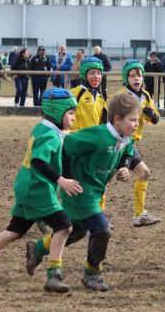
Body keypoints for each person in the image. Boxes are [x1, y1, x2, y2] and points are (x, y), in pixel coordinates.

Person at [26, 93, 143, 292]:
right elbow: (66, 148)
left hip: (94, 193)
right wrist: (66, 179)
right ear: (116, 120)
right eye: (133, 120)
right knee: (102, 229)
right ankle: (93, 274)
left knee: (77, 230)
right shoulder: (96, 136)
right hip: (80, 192)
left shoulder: (125, 137)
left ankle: (38, 248)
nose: (136, 124)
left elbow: (128, 150)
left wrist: (124, 167)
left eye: (137, 120)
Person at [0, 88, 79, 293]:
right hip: (38, 190)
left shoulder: (43, 129)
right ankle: (54, 275)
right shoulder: (50, 135)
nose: (74, 117)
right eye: (71, 112)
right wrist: (61, 180)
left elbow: (58, 146)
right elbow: (39, 161)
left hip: (25, 186)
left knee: (14, 231)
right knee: (65, 227)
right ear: (57, 112)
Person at [115, 60, 161, 226]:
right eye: (132, 75)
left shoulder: (145, 95)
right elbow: (111, 120)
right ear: (126, 78)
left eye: (139, 75)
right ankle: (93, 220)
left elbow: (155, 117)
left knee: (144, 173)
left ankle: (139, 215)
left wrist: (152, 116)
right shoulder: (121, 96)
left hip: (130, 143)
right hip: (116, 143)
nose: (136, 79)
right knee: (102, 181)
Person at [69, 57, 107, 131]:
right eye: (92, 73)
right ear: (84, 75)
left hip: (94, 139)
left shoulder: (100, 97)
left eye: (99, 73)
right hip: (78, 139)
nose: (96, 76)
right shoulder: (73, 94)